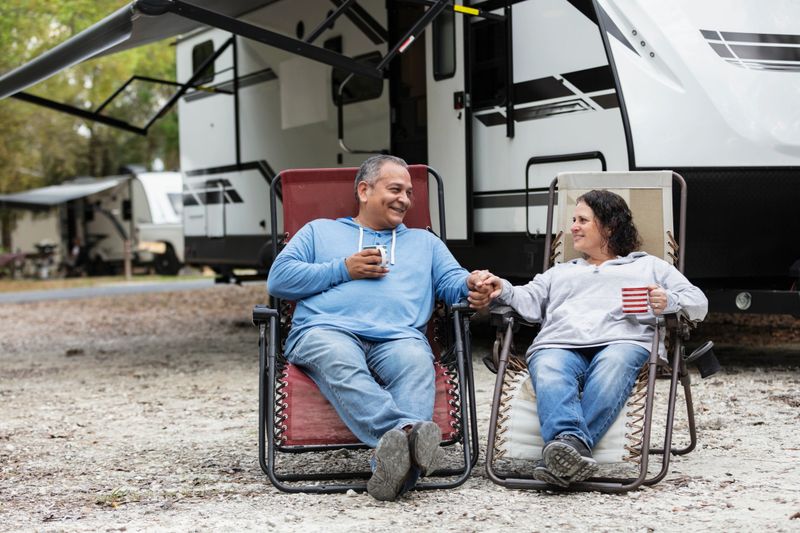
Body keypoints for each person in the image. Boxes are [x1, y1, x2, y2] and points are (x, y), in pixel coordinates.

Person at [267, 155, 492, 501]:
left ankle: (388, 465)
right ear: (364, 190)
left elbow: (451, 281)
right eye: (395, 189)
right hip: (326, 330)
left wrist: (473, 283)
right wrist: (343, 268)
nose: (404, 199)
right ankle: (407, 434)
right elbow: (279, 280)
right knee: (339, 357)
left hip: (399, 335)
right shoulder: (318, 231)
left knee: (417, 362)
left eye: (409, 193)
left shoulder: (425, 243)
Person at [475, 189, 708, 487]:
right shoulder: (561, 272)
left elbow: (698, 302)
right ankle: (572, 448)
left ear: (609, 227)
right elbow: (527, 299)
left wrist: (669, 300)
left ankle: (564, 449)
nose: (573, 226)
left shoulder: (649, 266)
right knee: (547, 366)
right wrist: (501, 288)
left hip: (623, 341)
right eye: (573, 219)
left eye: (582, 220)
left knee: (613, 364)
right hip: (560, 343)